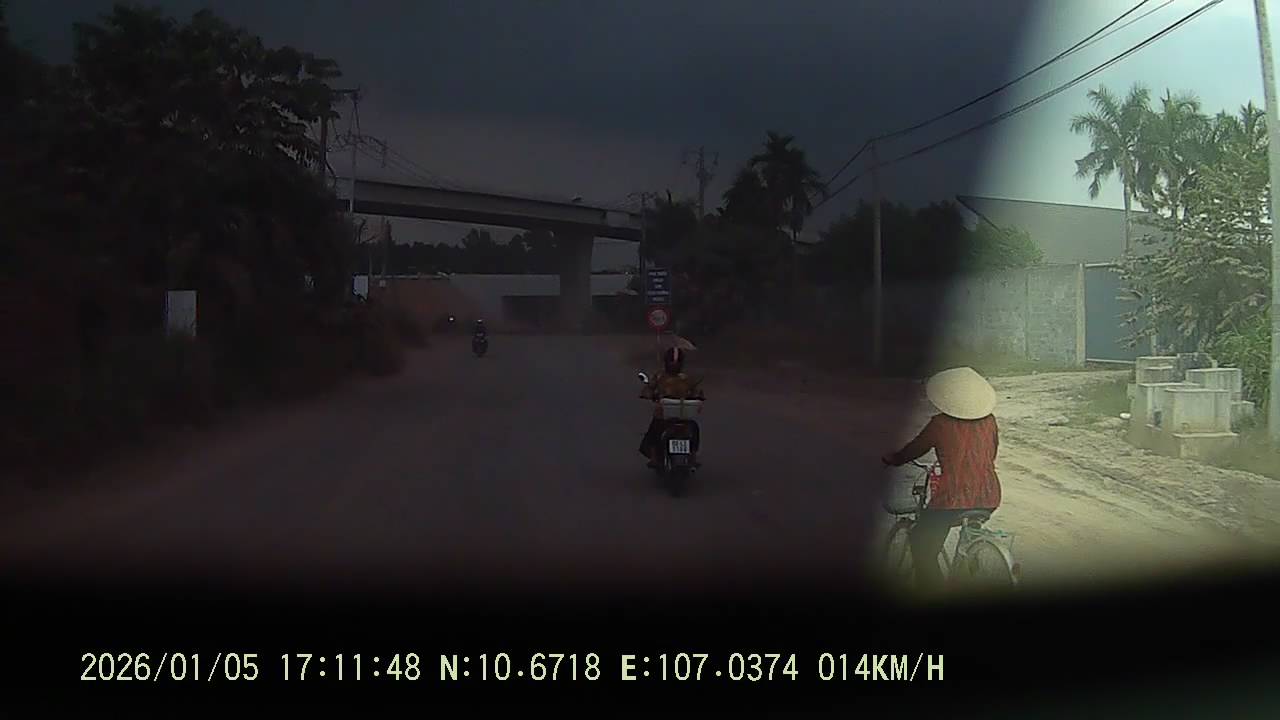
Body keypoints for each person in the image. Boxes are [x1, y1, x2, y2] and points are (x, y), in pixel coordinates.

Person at [881, 366, 1001, 590]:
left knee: (921, 543)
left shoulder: (940, 424)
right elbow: (991, 454)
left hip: (952, 499)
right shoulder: (990, 421)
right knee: (969, 532)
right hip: (989, 496)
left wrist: (894, 459)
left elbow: (915, 449)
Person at [638, 346, 702, 467]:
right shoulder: (660, 376)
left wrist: (698, 397)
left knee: (693, 428)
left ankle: (692, 455)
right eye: (672, 362)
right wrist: (649, 394)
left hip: (682, 416)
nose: (674, 365)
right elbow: (648, 389)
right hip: (665, 415)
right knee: (655, 429)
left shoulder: (686, 378)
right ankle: (655, 456)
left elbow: (696, 391)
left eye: (676, 363)